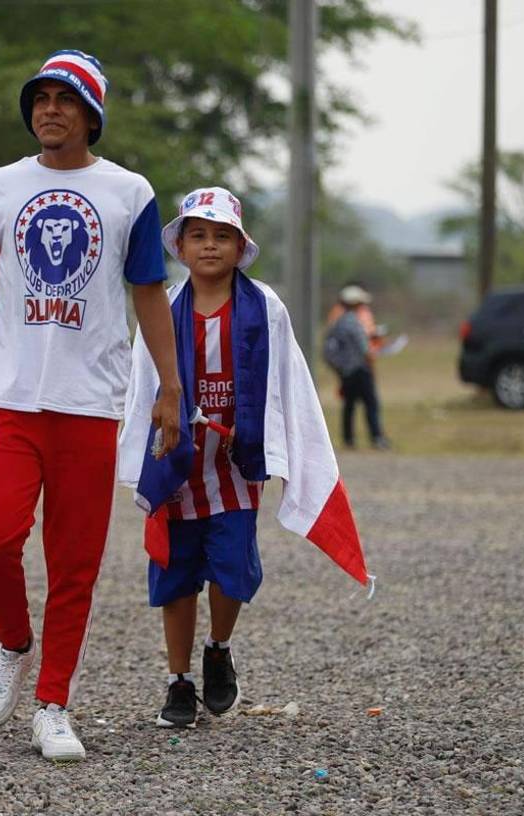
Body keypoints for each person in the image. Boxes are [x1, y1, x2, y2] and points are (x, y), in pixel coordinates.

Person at [0, 49, 183, 762]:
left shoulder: (129, 191)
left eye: (64, 99)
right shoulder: (0, 187)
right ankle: (13, 643)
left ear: (91, 113)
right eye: (39, 98)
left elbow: (149, 294)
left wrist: (169, 386)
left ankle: (54, 705)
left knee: (75, 565)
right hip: (8, 395)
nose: (48, 109)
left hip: (91, 402)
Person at [117, 186, 371, 729]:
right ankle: (178, 681)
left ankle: (218, 646)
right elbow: (142, 383)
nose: (210, 246)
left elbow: (286, 382)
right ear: (180, 247)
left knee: (231, 572)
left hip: (235, 468)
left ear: (240, 245)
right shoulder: (163, 309)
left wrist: (280, 443)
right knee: (175, 574)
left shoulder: (264, 308)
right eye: (198, 235)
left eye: (222, 236)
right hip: (178, 468)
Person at [324, 283, 390, 450]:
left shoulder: (339, 322)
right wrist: (375, 352)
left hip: (346, 371)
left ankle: (348, 439)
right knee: (371, 403)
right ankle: (377, 437)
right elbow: (363, 348)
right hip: (360, 369)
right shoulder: (354, 322)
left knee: (349, 405)